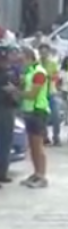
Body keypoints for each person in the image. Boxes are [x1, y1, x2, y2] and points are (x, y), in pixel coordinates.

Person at [19, 46, 50, 188]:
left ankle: (42, 175)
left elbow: (32, 94)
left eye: (22, 56)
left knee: (38, 145)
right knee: (32, 145)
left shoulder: (39, 72)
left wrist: (16, 92)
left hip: (38, 110)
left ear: (28, 56)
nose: (20, 59)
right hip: (29, 110)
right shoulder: (29, 71)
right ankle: (36, 173)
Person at [0, 43, 19, 186]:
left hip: (8, 108)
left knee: (6, 142)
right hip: (4, 108)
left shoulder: (12, 72)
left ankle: (3, 173)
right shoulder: (8, 73)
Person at [39, 44, 62, 146]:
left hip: (51, 92)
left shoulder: (52, 63)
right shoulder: (37, 63)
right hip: (40, 93)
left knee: (56, 115)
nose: (43, 54)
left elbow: (57, 77)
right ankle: (45, 137)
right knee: (42, 116)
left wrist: (49, 77)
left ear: (48, 52)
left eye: (45, 52)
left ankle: (56, 137)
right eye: (42, 52)